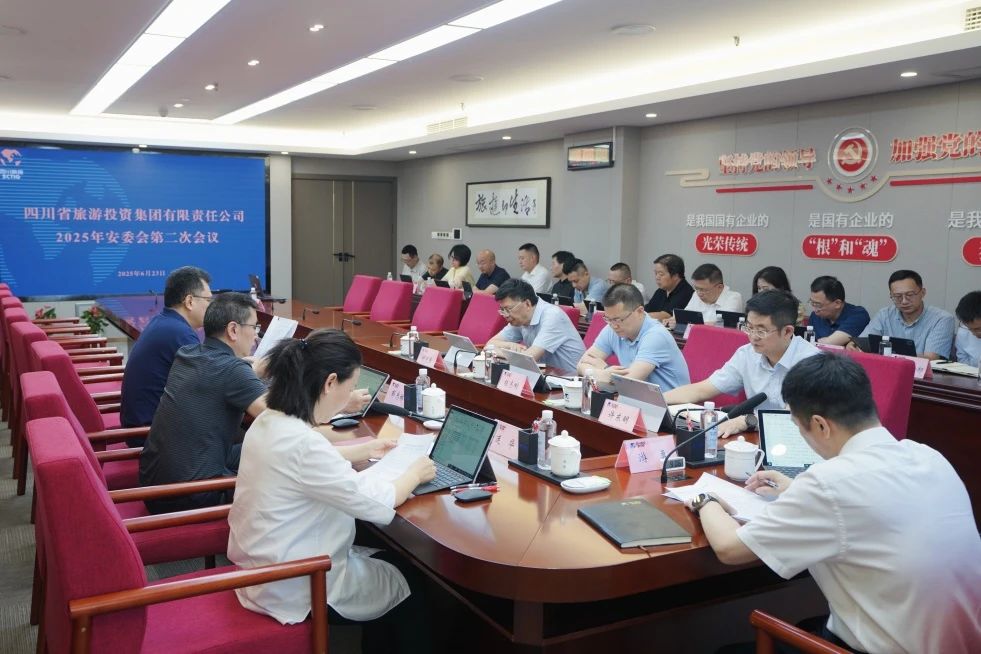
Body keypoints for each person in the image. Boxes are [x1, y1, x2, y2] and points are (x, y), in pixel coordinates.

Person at [687, 354, 981, 654]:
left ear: (820, 425)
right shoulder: (928, 456)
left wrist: (704, 498)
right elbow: (871, 509)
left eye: (798, 427)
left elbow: (729, 549)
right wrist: (795, 490)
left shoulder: (828, 482)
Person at [228, 329, 436, 654]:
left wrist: (365, 448)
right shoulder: (303, 444)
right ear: (329, 383)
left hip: (264, 568)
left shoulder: (270, 420)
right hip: (299, 581)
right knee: (411, 584)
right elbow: (376, 500)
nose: (348, 397)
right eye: (350, 388)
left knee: (391, 562)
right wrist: (414, 473)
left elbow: (301, 465)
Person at [139, 292, 267, 513]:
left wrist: (250, 373)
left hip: (154, 487)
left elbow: (219, 377)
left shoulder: (186, 354)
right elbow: (281, 419)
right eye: (254, 327)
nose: (256, 336)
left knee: (254, 447)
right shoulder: (233, 371)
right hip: (191, 498)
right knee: (279, 460)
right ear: (233, 330)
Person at [663, 290, 820, 437]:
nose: (753, 336)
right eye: (749, 327)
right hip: (756, 437)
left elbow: (792, 417)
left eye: (761, 331)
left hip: (798, 440)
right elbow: (702, 389)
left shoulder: (811, 362)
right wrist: (659, 399)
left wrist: (747, 421)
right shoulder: (747, 354)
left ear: (787, 331)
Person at [120, 266, 211, 444]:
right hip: (153, 439)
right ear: (190, 301)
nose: (211, 306)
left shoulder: (165, 322)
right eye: (208, 300)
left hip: (142, 429)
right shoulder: (181, 334)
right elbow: (208, 388)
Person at [577, 283, 690, 390]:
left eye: (618, 319)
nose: (613, 325)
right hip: (638, 398)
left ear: (639, 311)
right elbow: (581, 364)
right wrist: (599, 373)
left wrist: (603, 369)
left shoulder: (656, 335)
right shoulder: (612, 328)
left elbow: (628, 383)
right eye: (608, 319)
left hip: (671, 402)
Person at [487, 279, 585, 373]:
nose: (505, 315)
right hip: (544, 374)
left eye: (508, 309)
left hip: (570, 380)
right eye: (502, 310)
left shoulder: (552, 316)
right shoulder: (520, 319)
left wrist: (508, 353)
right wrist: (510, 346)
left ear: (527, 304)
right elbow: (489, 346)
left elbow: (527, 359)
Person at [860, 269, 954, 360]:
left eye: (910, 295)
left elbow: (930, 358)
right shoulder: (884, 315)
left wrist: (887, 355)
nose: (904, 301)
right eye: (898, 296)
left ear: (923, 293)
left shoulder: (941, 319)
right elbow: (862, 344)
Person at [666, 263, 743, 328]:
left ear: (719, 287)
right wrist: (674, 321)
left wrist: (688, 324)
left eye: (703, 290)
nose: (699, 293)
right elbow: (685, 317)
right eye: (696, 288)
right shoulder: (696, 294)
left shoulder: (734, 298)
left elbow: (722, 325)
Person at [807, 276, 870, 346]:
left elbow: (829, 343)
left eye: (818, 305)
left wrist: (817, 343)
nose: (815, 310)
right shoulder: (815, 316)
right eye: (812, 303)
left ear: (837, 303)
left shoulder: (858, 315)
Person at [645, 253, 694, 321]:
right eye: (656, 273)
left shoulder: (686, 293)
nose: (657, 277)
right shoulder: (661, 290)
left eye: (661, 274)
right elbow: (648, 309)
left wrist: (639, 316)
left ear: (675, 276)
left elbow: (666, 316)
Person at [954, 290, 981, 366]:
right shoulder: (963, 332)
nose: (973, 333)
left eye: (978, 329)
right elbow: (962, 361)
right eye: (969, 328)